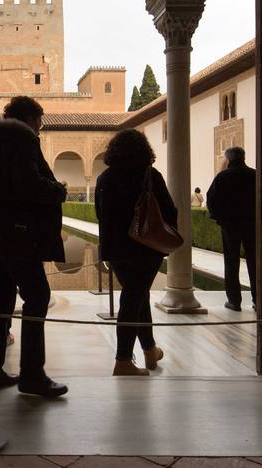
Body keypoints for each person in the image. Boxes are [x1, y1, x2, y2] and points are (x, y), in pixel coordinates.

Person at [0, 102, 68, 399]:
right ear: (29, 118)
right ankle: (33, 376)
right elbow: (28, 184)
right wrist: (58, 190)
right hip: (18, 235)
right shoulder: (22, 139)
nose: (41, 125)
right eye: (40, 120)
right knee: (38, 296)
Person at [95, 129, 177, 376]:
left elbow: (101, 214)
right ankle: (122, 360)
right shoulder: (150, 176)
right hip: (146, 247)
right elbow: (169, 212)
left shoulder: (104, 178)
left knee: (137, 295)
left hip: (117, 248)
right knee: (133, 298)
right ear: (144, 149)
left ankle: (150, 350)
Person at [206, 146, 256, 311]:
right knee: (255, 261)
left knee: (231, 262)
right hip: (252, 224)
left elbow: (211, 199)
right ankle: (258, 300)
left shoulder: (223, 176)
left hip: (230, 225)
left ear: (228, 159)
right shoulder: (255, 175)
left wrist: (219, 218)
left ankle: (234, 301)